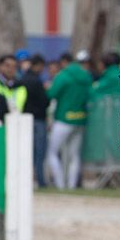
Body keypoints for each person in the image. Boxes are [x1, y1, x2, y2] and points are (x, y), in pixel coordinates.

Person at [47, 51, 93, 189]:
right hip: (80, 119)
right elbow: (90, 95)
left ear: (63, 62)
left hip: (63, 119)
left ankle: (60, 184)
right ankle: (72, 185)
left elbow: (51, 94)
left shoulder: (63, 76)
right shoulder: (86, 76)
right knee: (74, 156)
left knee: (52, 152)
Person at [21, 54, 50, 188]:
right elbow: (44, 101)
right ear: (38, 65)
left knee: (28, 152)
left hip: (25, 119)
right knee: (40, 152)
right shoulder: (37, 81)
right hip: (38, 119)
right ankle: (40, 180)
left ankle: (27, 180)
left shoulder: (23, 78)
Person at [0, 54, 26, 122]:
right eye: (7, 65)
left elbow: (19, 108)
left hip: (12, 122)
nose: (10, 69)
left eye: (14, 67)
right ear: (0, 66)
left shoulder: (21, 87)